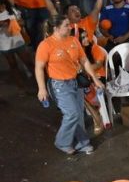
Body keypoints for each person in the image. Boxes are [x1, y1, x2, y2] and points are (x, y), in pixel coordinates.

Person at [35, 15, 103, 155]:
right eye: (66, 25)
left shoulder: (73, 40)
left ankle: (83, 144)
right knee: (72, 114)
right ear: (56, 28)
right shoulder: (46, 45)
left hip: (75, 82)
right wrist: (41, 89)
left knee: (79, 114)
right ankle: (62, 142)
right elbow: (39, 67)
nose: (70, 27)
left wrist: (95, 79)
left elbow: (84, 60)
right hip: (59, 85)